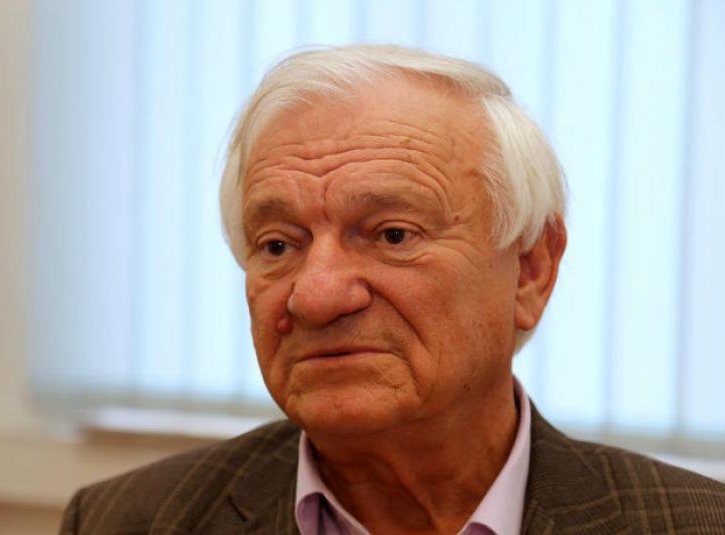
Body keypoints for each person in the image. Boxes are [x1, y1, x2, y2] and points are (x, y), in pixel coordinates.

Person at [60, 45, 725, 534]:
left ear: (529, 269)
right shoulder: (127, 521)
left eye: (392, 235)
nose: (315, 296)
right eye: (278, 245)